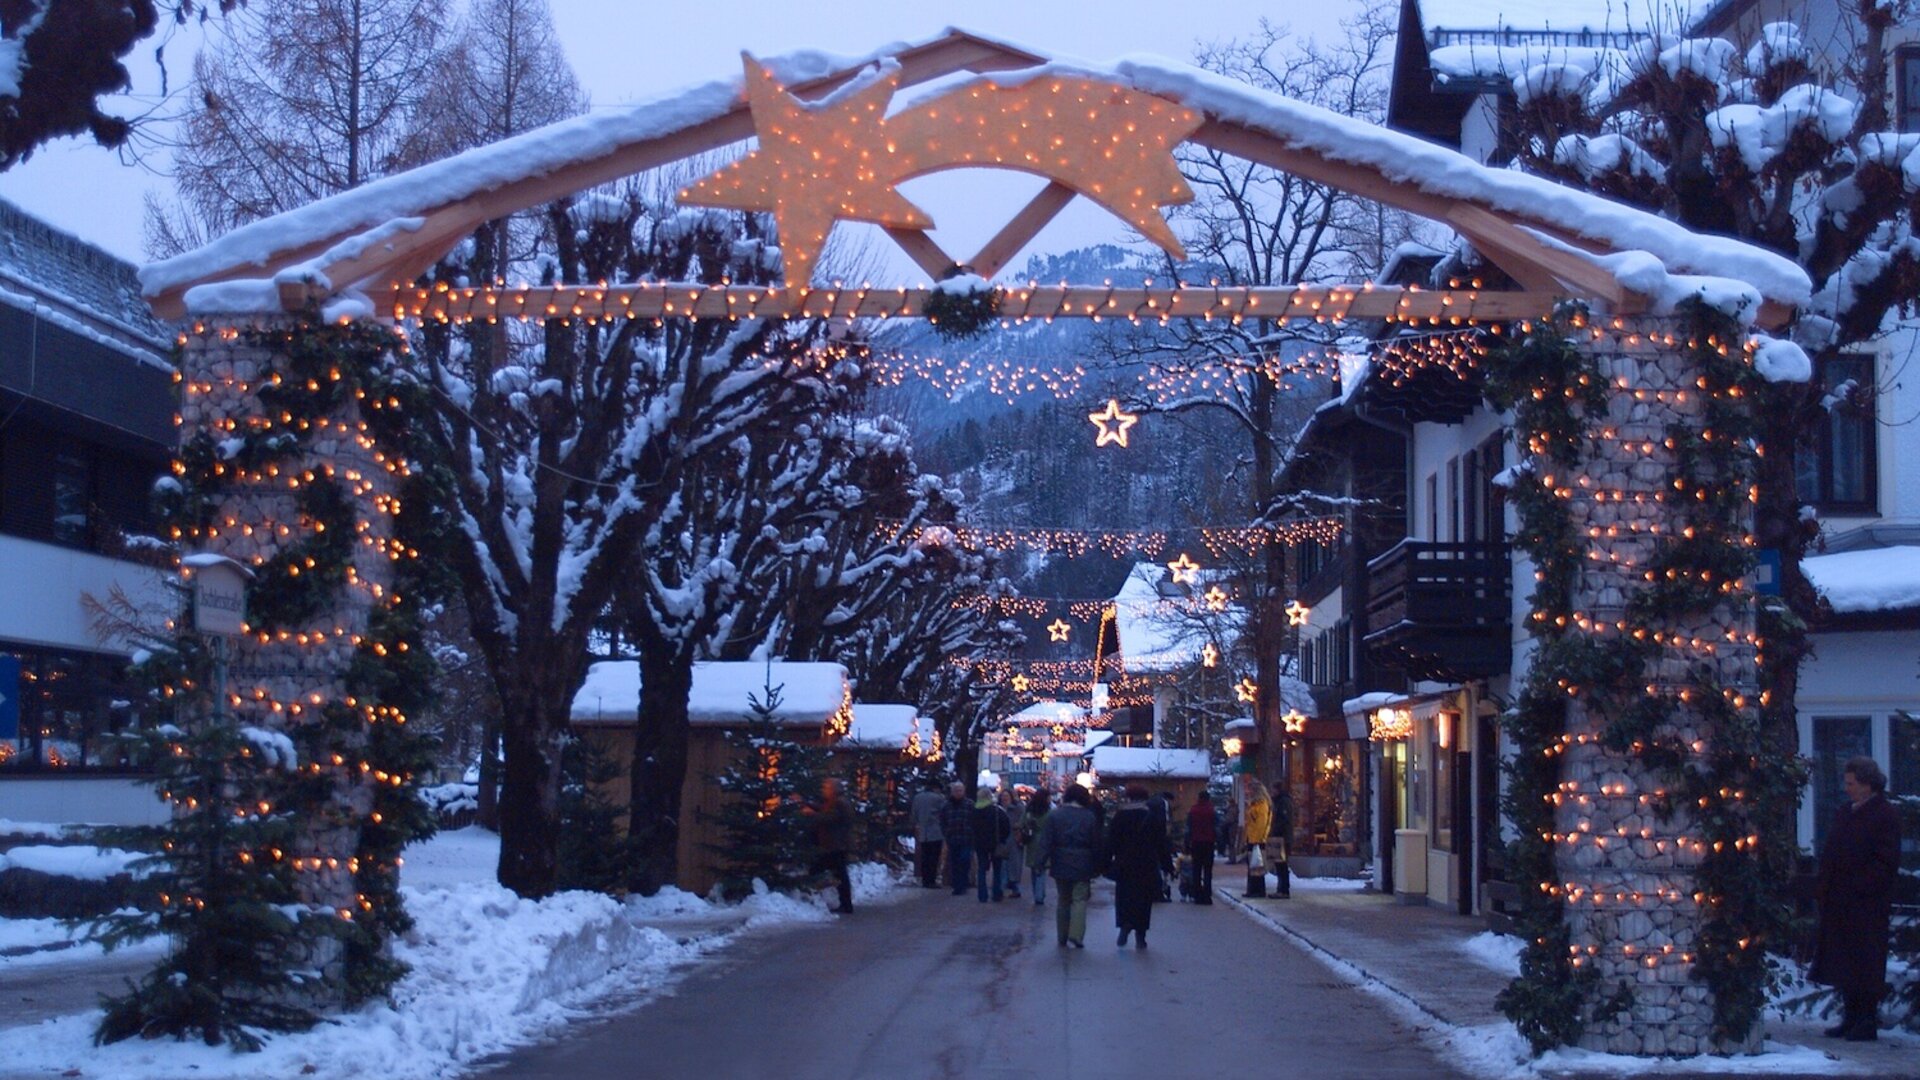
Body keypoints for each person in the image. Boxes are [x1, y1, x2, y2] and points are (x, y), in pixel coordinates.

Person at [1810, 756, 1901, 1041]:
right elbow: (1833, 851)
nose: (1846, 788)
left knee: (1865, 960)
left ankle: (1866, 1019)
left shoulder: (1884, 815)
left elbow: (1885, 861)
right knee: (1844, 961)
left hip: (1866, 904)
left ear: (1867, 784)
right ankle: (1850, 1017)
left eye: (1851, 783)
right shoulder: (1845, 812)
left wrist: (1859, 886)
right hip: (1840, 900)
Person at [1035, 783, 1101, 947]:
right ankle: (1076, 934)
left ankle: (1062, 936)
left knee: (1063, 900)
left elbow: (1046, 841)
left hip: (1060, 861)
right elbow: (1096, 843)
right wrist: (1098, 865)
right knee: (1079, 899)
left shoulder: (1055, 815)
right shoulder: (1089, 817)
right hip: (1083, 862)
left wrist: (1040, 862)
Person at [1106, 785, 1167, 948]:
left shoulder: (1120, 816)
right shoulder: (1151, 817)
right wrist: (1167, 865)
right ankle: (1141, 935)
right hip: (1146, 864)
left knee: (1124, 897)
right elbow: (1161, 843)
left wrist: (1105, 862)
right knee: (1144, 900)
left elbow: (1111, 841)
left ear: (1129, 797)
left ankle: (1125, 926)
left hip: (1124, 864)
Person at [801, 777, 855, 914]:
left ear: (833, 790)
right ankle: (845, 904)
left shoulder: (839, 803)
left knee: (836, 873)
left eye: (826, 788)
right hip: (835, 844)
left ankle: (844, 904)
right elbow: (824, 811)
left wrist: (812, 813)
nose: (823, 790)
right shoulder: (835, 802)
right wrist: (805, 803)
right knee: (838, 873)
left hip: (836, 845)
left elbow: (828, 817)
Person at [970, 784, 1012, 902]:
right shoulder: (997, 811)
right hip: (996, 843)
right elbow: (1006, 827)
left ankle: (982, 895)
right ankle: (996, 893)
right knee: (997, 870)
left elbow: (970, 828)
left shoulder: (974, 811)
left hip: (980, 844)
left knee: (982, 869)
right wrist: (1002, 839)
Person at [937, 781, 974, 896]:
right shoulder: (946, 805)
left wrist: (972, 832)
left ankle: (963, 883)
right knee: (955, 862)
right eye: (956, 791)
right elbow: (942, 820)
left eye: (960, 791)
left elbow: (975, 820)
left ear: (964, 791)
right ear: (952, 792)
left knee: (964, 860)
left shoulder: (969, 804)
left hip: (966, 838)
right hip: (952, 838)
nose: (958, 793)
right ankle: (957, 885)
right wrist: (946, 832)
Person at [908, 778, 946, 889]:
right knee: (934, 857)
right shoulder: (939, 798)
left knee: (925, 856)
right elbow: (944, 813)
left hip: (922, 832)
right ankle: (931, 880)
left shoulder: (917, 798)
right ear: (936, 788)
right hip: (936, 831)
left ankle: (925, 879)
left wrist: (915, 824)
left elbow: (914, 814)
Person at [1021, 789, 1052, 906]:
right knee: (1041, 869)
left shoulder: (1029, 811)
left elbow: (1022, 823)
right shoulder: (1048, 812)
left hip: (1031, 841)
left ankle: (1037, 893)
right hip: (1044, 841)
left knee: (1034, 869)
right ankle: (1039, 895)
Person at [1186, 789, 1218, 904]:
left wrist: (1187, 843)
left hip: (1196, 843)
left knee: (1196, 869)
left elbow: (1188, 828)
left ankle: (1197, 895)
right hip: (1209, 843)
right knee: (1208, 870)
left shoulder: (1193, 810)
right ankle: (1207, 895)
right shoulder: (1212, 811)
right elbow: (1217, 827)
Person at [999, 787, 1024, 899]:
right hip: (1002, 840)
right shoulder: (998, 809)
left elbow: (1022, 820)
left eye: (1007, 796)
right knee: (1003, 866)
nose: (1004, 798)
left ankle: (1014, 888)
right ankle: (1002, 888)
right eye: (1003, 796)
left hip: (1014, 840)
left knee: (1014, 866)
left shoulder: (1017, 808)